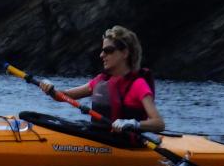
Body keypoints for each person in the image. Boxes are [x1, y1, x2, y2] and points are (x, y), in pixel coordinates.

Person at [37, 25, 165, 136]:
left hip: (124, 145)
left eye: (108, 51)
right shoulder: (100, 81)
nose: (101, 55)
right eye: (102, 51)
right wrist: (51, 89)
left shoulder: (138, 85)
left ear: (125, 53)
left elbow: (159, 124)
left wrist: (132, 123)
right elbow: (62, 96)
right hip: (99, 138)